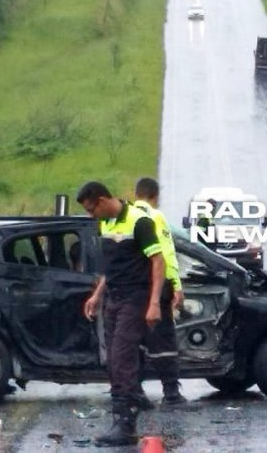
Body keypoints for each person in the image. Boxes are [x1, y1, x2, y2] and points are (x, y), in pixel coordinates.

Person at [77, 181, 166, 447]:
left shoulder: (140, 222)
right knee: (112, 361)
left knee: (122, 358)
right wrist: (97, 295)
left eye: (92, 210)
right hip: (113, 298)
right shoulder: (106, 224)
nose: (92, 216)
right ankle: (125, 409)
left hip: (135, 298)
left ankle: (126, 424)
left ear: (103, 200)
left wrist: (154, 303)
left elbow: (158, 261)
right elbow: (111, 267)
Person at [134, 177, 187, 405]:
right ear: (155, 197)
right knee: (163, 341)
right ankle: (171, 393)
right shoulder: (155, 217)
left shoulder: (124, 217)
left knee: (134, 342)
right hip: (156, 288)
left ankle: (134, 392)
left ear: (137, 195)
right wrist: (176, 284)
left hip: (131, 290)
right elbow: (166, 253)